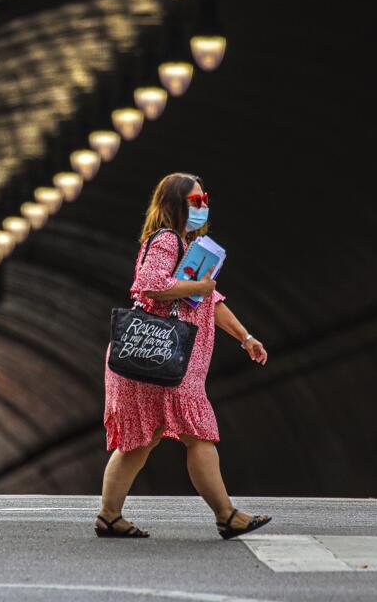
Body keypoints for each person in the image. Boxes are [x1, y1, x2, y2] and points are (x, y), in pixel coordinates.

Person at [95, 172, 272, 540]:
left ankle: (109, 517)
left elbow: (212, 303)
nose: (202, 206)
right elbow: (152, 285)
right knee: (198, 433)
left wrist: (246, 337)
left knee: (141, 440)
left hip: (156, 359)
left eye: (204, 199)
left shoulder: (189, 245)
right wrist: (200, 285)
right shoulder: (166, 240)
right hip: (158, 356)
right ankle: (226, 516)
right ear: (175, 204)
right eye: (195, 201)